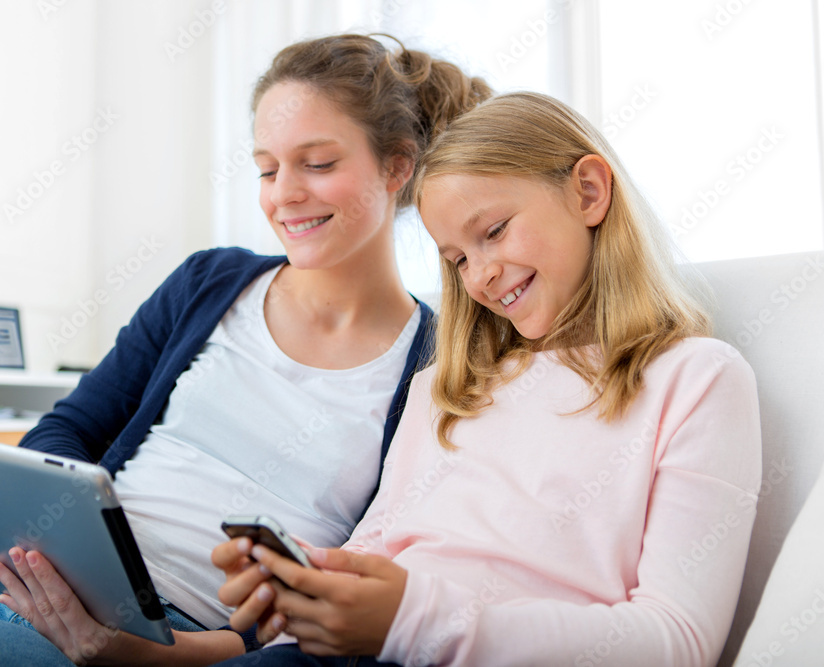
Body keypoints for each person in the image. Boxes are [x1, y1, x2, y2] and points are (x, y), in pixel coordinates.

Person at [0, 35, 491, 666]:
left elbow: (346, 600)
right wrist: (38, 532)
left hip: (157, 637)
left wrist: (162, 650)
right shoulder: (211, 282)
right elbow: (73, 426)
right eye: (266, 168)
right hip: (27, 579)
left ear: (398, 164)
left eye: (317, 164)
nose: (284, 193)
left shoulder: (437, 369)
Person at [212, 91, 762, 667]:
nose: (481, 276)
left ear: (589, 192)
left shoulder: (696, 379)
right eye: (457, 260)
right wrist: (311, 581)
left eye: (494, 231)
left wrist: (414, 621)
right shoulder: (446, 389)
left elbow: (676, 642)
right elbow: (376, 545)